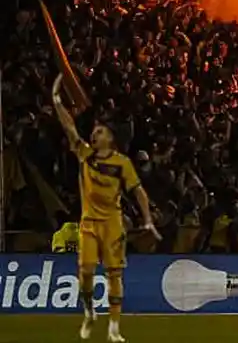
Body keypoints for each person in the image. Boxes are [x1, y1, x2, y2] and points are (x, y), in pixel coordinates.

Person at [52, 75, 160, 343]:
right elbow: (69, 129)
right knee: (86, 271)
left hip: (112, 223)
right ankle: (89, 312)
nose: (94, 133)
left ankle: (114, 327)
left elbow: (138, 191)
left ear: (110, 138)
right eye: (95, 130)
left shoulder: (122, 163)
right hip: (88, 222)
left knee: (114, 274)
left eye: (100, 131)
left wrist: (147, 220)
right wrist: (56, 101)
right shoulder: (85, 154)